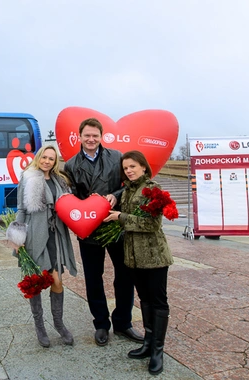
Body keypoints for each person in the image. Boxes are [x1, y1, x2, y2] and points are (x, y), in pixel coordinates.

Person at [62, 118, 142, 346]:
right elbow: (70, 198)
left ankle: (123, 323)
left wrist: (116, 195)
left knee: (125, 275)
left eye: (95, 135)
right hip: (89, 229)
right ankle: (101, 324)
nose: (91, 139)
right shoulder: (70, 165)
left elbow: (129, 185)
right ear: (79, 137)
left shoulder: (117, 157)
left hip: (116, 224)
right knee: (93, 278)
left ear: (101, 136)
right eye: (87, 135)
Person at [103, 150, 174, 375]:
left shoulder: (153, 190)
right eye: (125, 168)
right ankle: (147, 343)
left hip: (154, 257)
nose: (129, 171)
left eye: (133, 166)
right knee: (144, 300)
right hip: (133, 257)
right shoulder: (127, 190)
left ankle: (157, 351)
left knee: (158, 302)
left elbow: (151, 224)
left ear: (144, 166)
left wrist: (120, 217)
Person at [6, 144, 78, 347]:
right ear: (38, 157)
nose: (47, 161)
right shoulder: (28, 178)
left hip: (55, 236)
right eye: (44, 157)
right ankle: (40, 326)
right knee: (36, 282)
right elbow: (21, 208)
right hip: (35, 236)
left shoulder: (59, 180)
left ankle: (58, 323)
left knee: (57, 281)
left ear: (56, 162)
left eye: (51, 159)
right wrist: (17, 239)